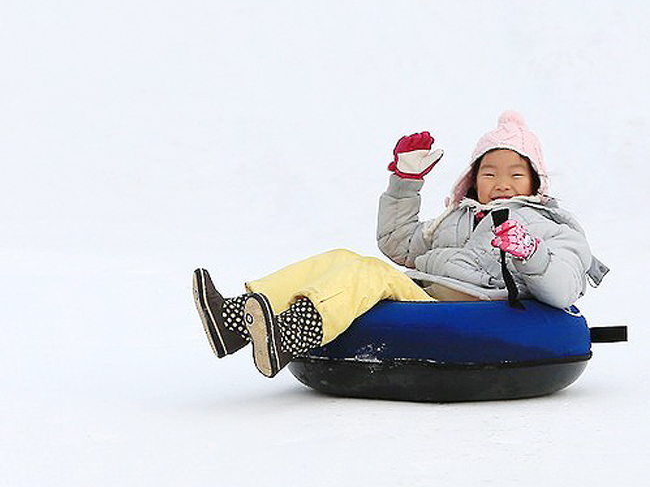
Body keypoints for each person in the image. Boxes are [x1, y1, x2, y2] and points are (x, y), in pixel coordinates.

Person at [193, 111, 607, 378]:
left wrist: (530, 251)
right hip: (423, 299)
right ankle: (234, 320)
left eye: (516, 175)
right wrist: (405, 183)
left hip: (470, 309)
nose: (501, 184)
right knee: (342, 257)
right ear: (472, 180)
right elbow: (398, 243)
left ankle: (294, 332)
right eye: (489, 173)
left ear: (535, 181)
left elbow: (565, 288)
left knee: (370, 274)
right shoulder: (457, 218)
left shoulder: (552, 225)